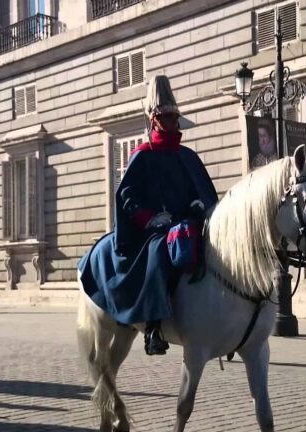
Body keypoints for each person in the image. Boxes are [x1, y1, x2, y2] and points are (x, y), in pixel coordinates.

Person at [79, 75, 218, 355]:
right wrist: (150, 218)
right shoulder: (142, 155)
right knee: (159, 253)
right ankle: (154, 327)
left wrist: (199, 205)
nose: (172, 122)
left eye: (174, 116)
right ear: (154, 120)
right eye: (166, 116)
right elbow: (127, 195)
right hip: (156, 229)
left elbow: (203, 191)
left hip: (189, 223)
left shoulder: (188, 156)